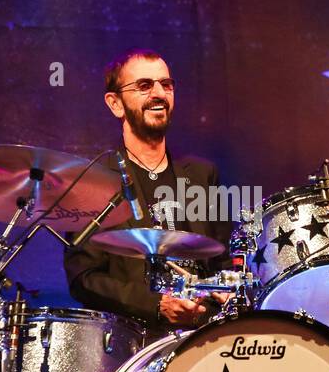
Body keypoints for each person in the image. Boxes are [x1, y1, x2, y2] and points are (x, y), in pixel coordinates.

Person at [64, 49, 233, 331]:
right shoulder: (93, 179)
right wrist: (155, 304)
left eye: (166, 85)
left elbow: (222, 263)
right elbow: (84, 278)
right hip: (131, 343)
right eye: (144, 85)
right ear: (115, 103)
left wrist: (218, 297)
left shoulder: (203, 174)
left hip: (202, 338)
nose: (159, 93)